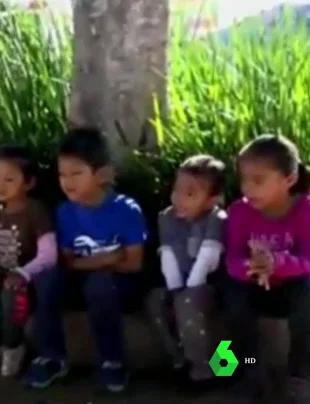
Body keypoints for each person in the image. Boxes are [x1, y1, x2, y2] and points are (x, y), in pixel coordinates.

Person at [23, 127, 147, 392]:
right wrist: (108, 258)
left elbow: (133, 263)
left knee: (100, 284)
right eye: (62, 174)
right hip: (80, 279)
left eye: (76, 173)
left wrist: (96, 264)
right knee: (46, 280)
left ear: (101, 174)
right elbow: (67, 261)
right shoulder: (65, 211)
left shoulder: (126, 210)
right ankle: (52, 357)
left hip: (119, 285)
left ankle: (112, 361)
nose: (68, 182)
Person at [225, 134, 310, 403]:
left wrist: (278, 264)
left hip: (293, 287)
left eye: (258, 180)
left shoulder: (305, 211)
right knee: (232, 300)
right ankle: (246, 368)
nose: (247, 188)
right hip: (253, 285)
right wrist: (250, 267)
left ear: (290, 180)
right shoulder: (239, 212)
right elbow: (232, 258)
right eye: (244, 180)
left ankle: (299, 375)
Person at [0, 145, 57, 377]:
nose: (0, 184)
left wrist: (23, 273)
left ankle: (13, 346)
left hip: (27, 282)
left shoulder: (35, 211)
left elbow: (49, 255)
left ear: (28, 183)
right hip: (1, 276)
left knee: (12, 293)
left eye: (9, 179)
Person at [146, 154, 226, 386]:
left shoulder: (216, 218)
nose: (179, 198)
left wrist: (185, 292)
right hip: (181, 283)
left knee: (188, 303)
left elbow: (207, 259)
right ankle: (180, 361)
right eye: (176, 190)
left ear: (212, 200)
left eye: (189, 194)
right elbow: (168, 254)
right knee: (154, 300)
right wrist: (174, 290)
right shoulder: (167, 217)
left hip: (212, 284)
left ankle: (212, 370)